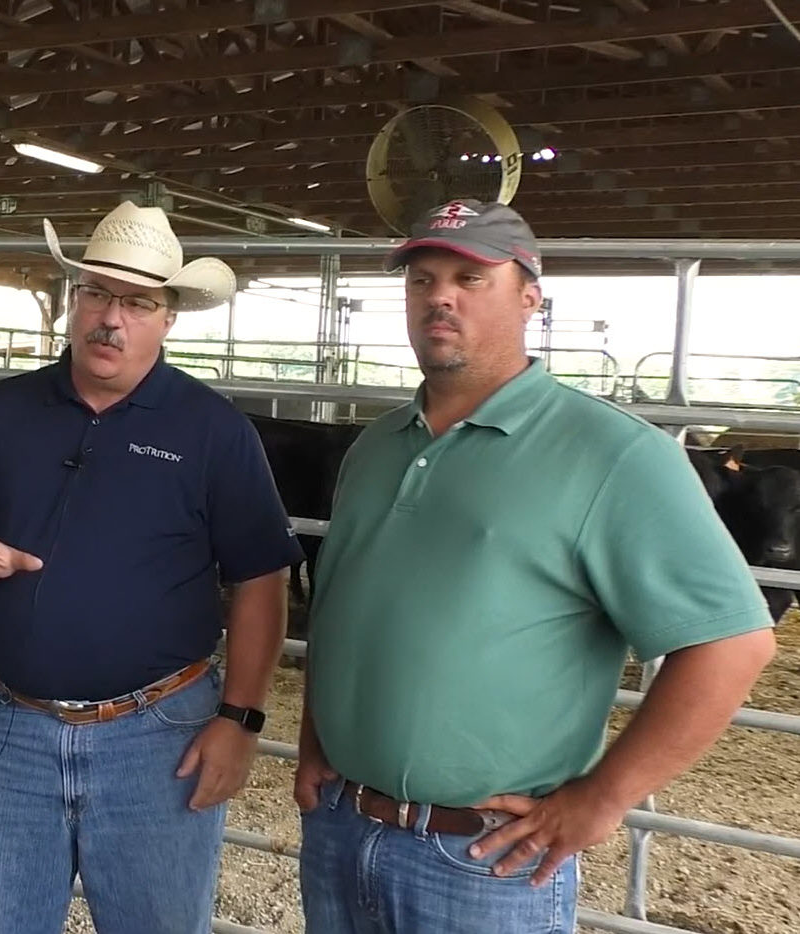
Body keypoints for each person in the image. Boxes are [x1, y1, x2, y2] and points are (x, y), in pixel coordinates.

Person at [295, 199, 777, 933]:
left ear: (529, 298)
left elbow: (732, 643)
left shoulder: (612, 455)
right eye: (421, 279)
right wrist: (314, 741)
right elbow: (343, 607)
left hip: (483, 855)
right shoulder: (374, 446)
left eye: (469, 278)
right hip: (342, 826)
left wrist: (602, 798)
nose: (440, 297)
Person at [0, 201, 299, 933]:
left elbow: (259, 578)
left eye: (136, 302)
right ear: (73, 298)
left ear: (168, 317)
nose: (109, 318)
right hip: (11, 727)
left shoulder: (213, 430)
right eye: (94, 293)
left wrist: (240, 720)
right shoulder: (2, 410)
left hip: (159, 734)